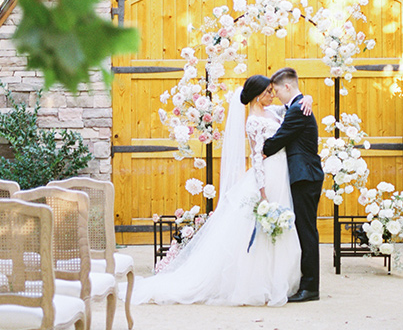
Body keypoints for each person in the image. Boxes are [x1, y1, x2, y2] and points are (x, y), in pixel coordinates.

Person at [131, 75, 308, 306]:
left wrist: (309, 98)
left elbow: (292, 106)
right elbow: (256, 156)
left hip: (281, 173)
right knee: (262, 230)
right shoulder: (254, 121)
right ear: (257, 95)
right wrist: (262, 191)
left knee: (278, 229)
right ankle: (258, 284)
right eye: (267, 92)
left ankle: (279, 278)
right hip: (268, 177)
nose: (271, 95)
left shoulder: (272, 112)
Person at [263, 67, 324, 303]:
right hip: (303, 176)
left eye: (277, 90)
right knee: (304, 230)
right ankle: (307, 283)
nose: (276, 95)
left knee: (307, 231)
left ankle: (310, 288)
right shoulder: (297, 105)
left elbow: (276, 142)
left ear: (288, 87)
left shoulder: (298, 110)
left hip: (305, 176)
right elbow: (266, 109)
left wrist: (261, 147)